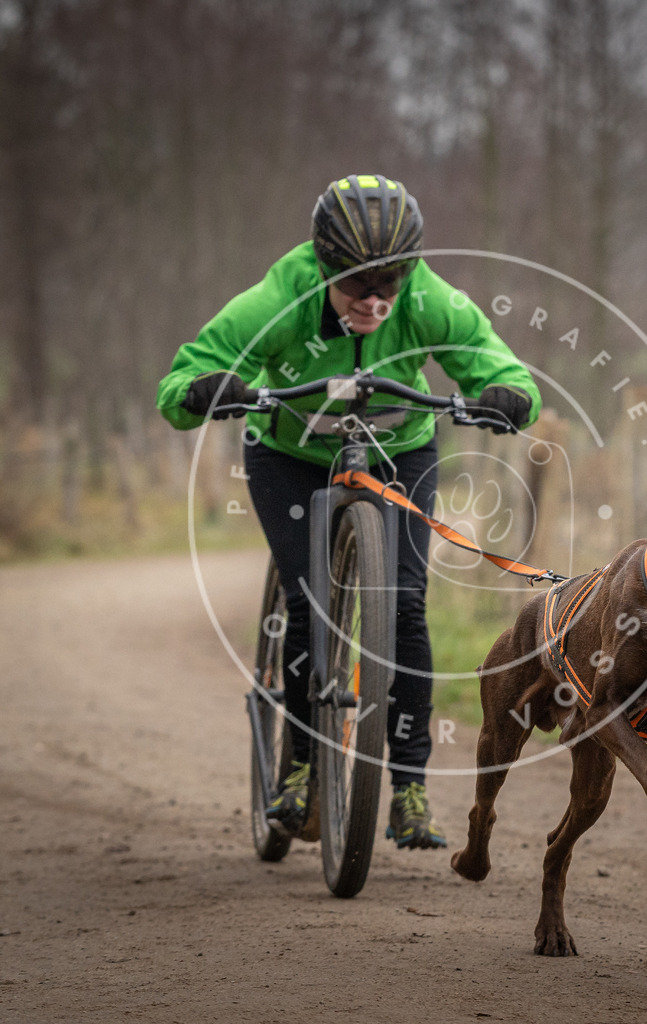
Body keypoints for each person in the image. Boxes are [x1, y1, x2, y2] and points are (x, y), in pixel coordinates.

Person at [157, 173, 541, 850]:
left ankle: (409, 790)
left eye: (388, 283)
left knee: (405, 605)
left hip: (399, 450)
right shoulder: (282, 295)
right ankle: (300, 770)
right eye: (353, 282)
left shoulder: (430, 300)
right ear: (322, 267)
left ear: (409, 271)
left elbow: (505, 374)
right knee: (309, 603)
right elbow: (181, 378)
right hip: (289, 454)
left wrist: (505, 395)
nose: (371, 299)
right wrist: (202, 389)